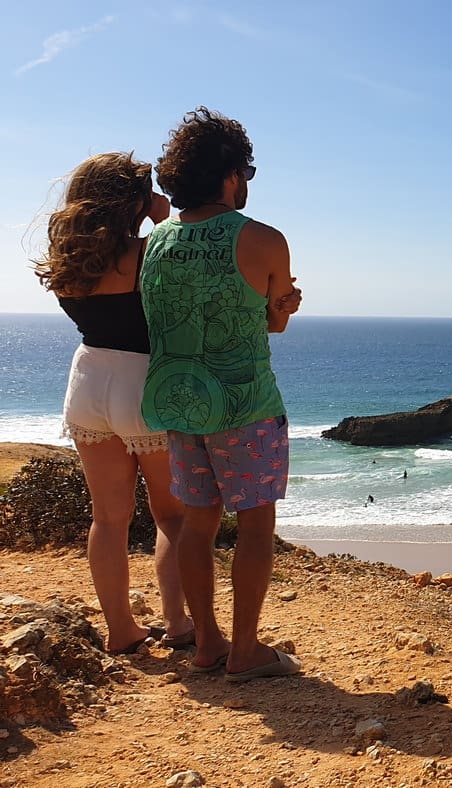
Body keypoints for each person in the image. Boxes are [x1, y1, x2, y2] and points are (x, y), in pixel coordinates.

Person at [142, 107, 302, 682]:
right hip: (245, 406)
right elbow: (270, 324)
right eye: (246, 174)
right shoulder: (263, 240)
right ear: (231, 175)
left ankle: (207, 642)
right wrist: (283, 310)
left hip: (181, 403)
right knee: (255, 527)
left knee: (196, 523)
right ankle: (246, 650)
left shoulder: (156, 243)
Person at [34, 152, 193, 655]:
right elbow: (182, 288)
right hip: (142, 382)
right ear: (133, 199)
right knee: (172, 517)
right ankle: (178, 622)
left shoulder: (69, 257)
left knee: (107, 519)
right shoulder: (149, 251)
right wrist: (162, 220)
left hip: (87, 381)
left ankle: (121, 629)